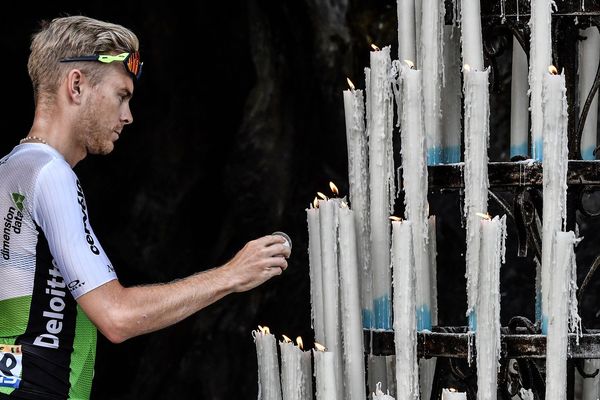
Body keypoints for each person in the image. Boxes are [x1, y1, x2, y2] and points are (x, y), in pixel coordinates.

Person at [0, 15, 290, 399]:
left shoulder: (12, 168)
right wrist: (231, 275)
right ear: (76, 85)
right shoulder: (52, 176)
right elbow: (116, 317)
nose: (128, 116)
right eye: (122, 95)